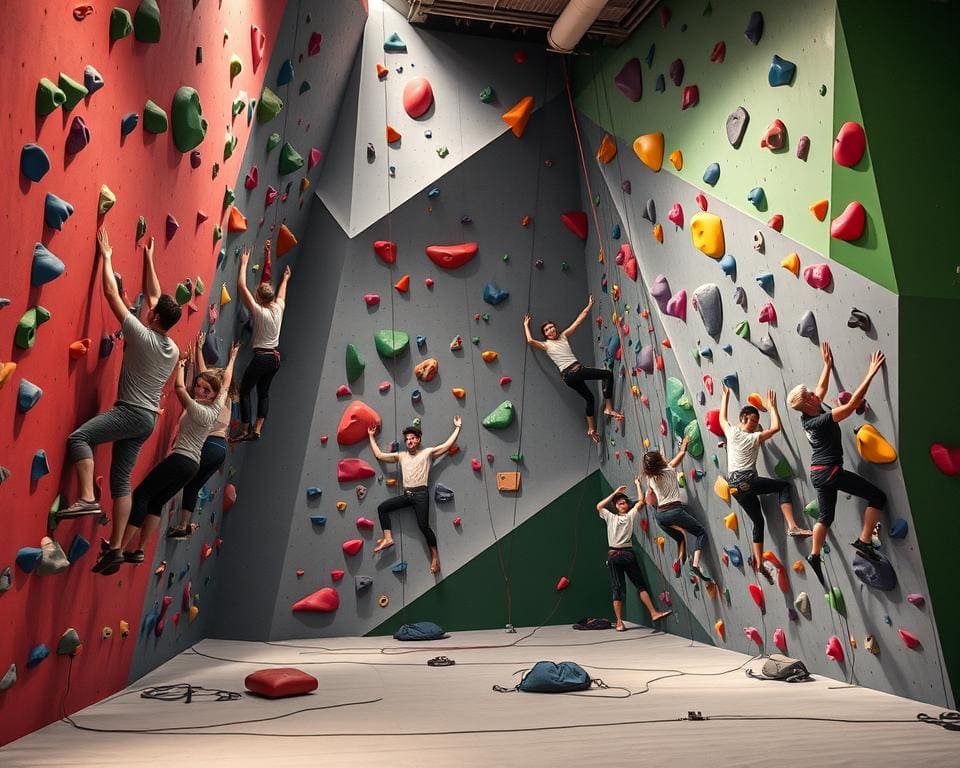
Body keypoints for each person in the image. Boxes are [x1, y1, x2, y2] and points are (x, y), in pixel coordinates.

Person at [62, 229, 181, 542]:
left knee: (80, 438)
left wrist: (107, 257)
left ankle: (87, 497)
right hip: (147, 420)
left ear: (153, 317)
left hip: (132, 412)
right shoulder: (172, 347)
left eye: (151, 310)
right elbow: (155, 297)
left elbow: (112, 295)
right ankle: (116, 546)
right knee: (121, 481)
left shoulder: (141, 336)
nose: (148, 307)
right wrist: (150, 259)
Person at [93, 343, 238, 574]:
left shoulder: (199, 409)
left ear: (213, 395)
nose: (199, 391)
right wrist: (231, 360)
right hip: (191, 465)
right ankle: (138, 550)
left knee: (141, 494)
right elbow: (225, 382)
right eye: (199, 386)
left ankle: (116, 547)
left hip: (181, 459)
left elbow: (180, 389)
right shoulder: (217, 404)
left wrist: (180, 365)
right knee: (156, 502)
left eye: (205, 390)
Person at [786, 342, 887, 585]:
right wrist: (871, 372)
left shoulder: (808, 412)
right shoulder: (819, 421)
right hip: (830, 471)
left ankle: (814, 554)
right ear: (808, 403)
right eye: (810, 394)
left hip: (819, 473)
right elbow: (852, 405)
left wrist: (827, 366)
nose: (814, 392)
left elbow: (821, 387)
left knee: (825, 517)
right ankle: (864, 541)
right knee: (877, 497)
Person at [719, 385, 813, 584]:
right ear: (743, 419)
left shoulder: (732, 433)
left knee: (758, 522)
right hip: (746, 481)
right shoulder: (753, 437)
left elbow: (722, 418)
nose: (754, 424)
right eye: (752, 420)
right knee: (784, 487)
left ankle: (759, 562)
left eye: (756, 422)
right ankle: (793, 526)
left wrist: (725, 398)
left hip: (734, 487)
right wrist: (772, 408)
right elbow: (776, 428)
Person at [522, 294, 623, 445]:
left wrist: (589, 306)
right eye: (547, 330)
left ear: (555, 328)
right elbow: (530, 341)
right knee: (608, 374)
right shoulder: (546, 345)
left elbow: (578, 320)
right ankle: (608, 408)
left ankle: (591, 429)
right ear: (545, 335)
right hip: (573, 372)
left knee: (590, 399)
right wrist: (526, 325)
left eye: (551, 327)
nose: (550, 330)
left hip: (568, 378)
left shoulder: (563, 336)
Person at [367, 416, 462, 574]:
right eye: (406, 439)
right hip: (407, 495)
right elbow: (379, 456)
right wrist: (371, 436)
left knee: (423, 527)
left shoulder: (427, 453)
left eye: (412, 438)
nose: (409, 441)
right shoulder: (401, 456)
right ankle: (388, 538)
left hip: (420, 494)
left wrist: (457, 427)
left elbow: (447, 446)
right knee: (382, 508)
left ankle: (435, 557)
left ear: (418, 440)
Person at [167, 331, 235, 539]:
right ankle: (183, 525)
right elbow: (214, 377)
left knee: (184, 472)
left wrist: (198, 349)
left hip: (211, 443)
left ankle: (163, 501)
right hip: (220, 449)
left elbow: (208, 375)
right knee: (193, 484)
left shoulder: (217, 398)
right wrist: (231, 358)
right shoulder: (225, 399)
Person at [231, 245, 290, 442]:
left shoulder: (259, 311)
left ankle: (244, 429)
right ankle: (257, 428)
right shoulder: (278, 308)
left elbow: (241, 286)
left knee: (245, 390)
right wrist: (285, 279)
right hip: (275, 359)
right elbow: (282, 294)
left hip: (262, 357)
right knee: (263, 393)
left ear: (259, 298)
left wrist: (244, 264)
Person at [595, 485, 672, 631]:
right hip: (615, 554)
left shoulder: (630, 515)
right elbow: (599, 506)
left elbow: (641, 501)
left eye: (624, 503)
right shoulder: (610, 517)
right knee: (617, 588)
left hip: (626, 554)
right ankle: (619, 622)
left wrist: (637, 484)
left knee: (640, 585)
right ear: (616, 506)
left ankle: (653, 613)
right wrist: (615, 493)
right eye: (619, 503)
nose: (623, 505)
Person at [641, 436, 712, 582]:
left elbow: (650, 499)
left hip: (660, 515)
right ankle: (695, 564)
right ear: (659, 461)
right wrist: (684, 443)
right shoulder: (670, 469)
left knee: (680, 538)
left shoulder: (650, 480)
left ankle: (678, 559)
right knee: (700, 532)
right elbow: (681, 454)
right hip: (674, 511)